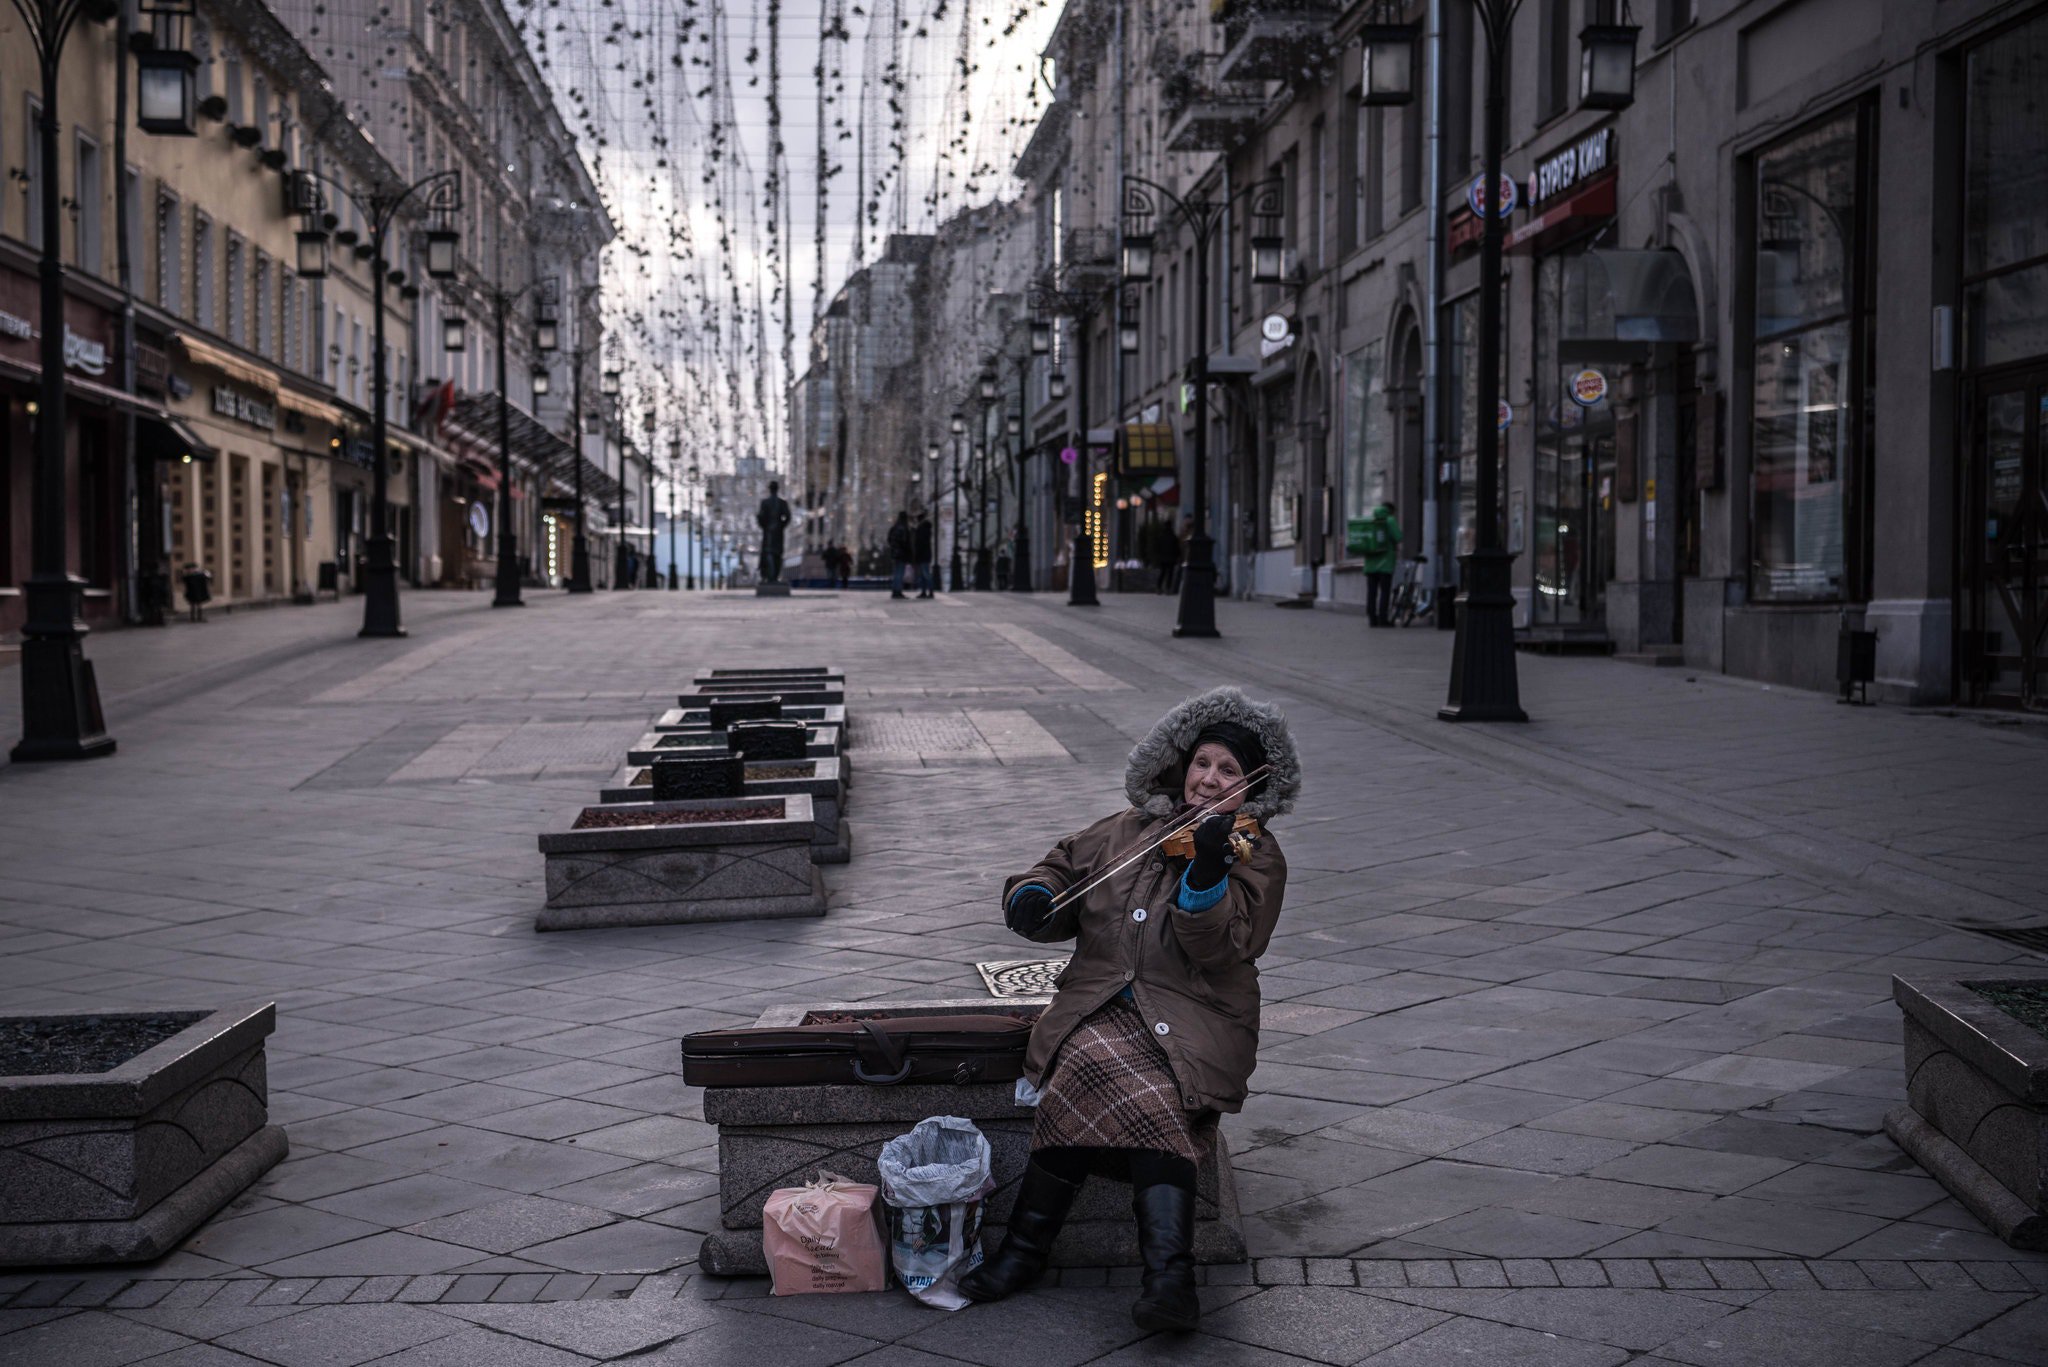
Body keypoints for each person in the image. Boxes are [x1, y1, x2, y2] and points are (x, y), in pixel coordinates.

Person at [961, 687, 1298, 1332]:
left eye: (1229, 771)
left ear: (1251, 786)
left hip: (1194, 1018)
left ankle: (1027, 1254)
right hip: (1098, 1003)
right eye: (1203, 762)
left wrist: (1205, 880)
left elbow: (1228, 950)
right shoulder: (1126, 830)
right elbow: (1060, 867)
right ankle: (1168, 1278)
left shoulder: (1256, 856)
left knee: (1113, 1076)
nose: (1209, 780)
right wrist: (1034, 896)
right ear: (1180, 765)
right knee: (1111, 1069)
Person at [1357, 501, 1401, 626]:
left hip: (1370, 565)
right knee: (1385, 592)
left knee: (1372, 593)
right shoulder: (1390, 520)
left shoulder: (1371, 521)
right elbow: (1398, 537)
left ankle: (1372, 619)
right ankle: (1383, 619)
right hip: (1385, 564)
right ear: (1391, 511)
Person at [756, 480, 792, 583]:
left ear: (770, 489)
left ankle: (770, 576)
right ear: (777, 489)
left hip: (769, 531)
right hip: (778, 532)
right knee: (777, 553)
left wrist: (764, 525)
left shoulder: (765, 502)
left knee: (768, 552)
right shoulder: (782, 502)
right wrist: (781, 526)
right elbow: (788, 517)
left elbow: (761, 517)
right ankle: (774, 577)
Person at [887, 511, 913, 599]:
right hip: (902, 554)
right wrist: (908, 552)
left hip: (895, 553)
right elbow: (905, 542)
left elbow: (889, 539)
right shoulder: (903, 528)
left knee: (896, 572)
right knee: (900, 573)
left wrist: (893, 548)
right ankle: (898, 591)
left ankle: (895, 590)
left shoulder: (894, 527)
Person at [912, 510, 935, 598]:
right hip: (925, 554)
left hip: (923, 555)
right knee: (923, 574)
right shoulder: (924, 528)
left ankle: (929, 591)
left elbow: (920, 542)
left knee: (925, 574)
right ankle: (924, 591)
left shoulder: (922, 528)